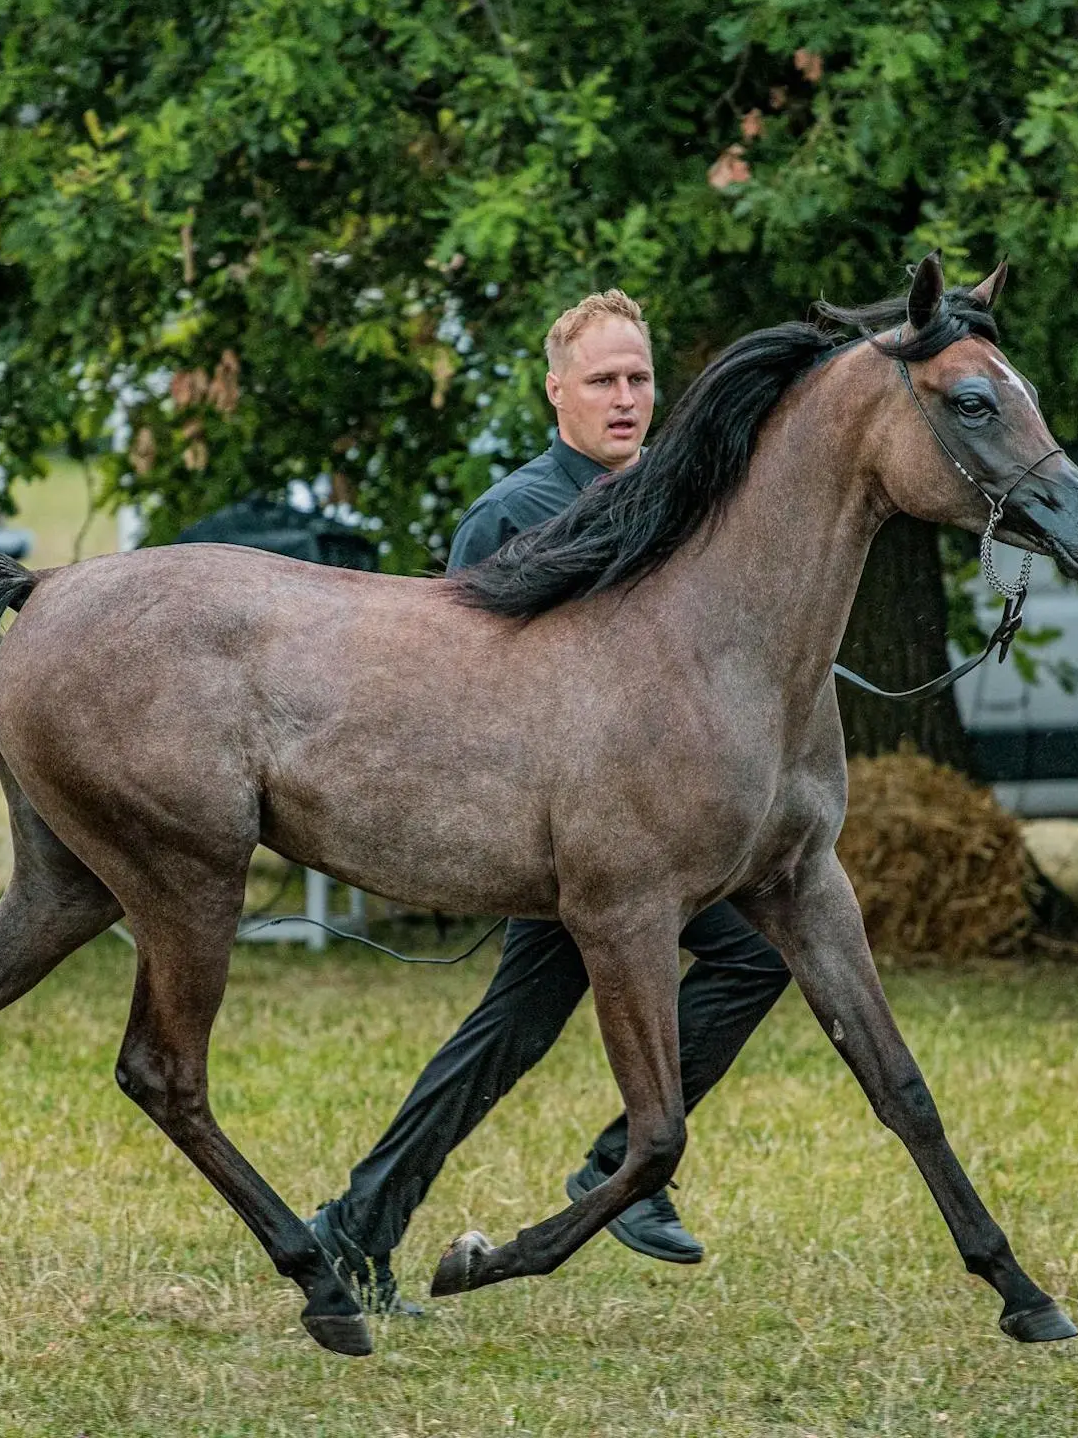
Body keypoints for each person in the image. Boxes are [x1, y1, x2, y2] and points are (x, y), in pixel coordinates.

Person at [307, 290, 792, 1315]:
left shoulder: (676, 500)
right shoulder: (518, 513)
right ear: (555, 392)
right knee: (565, 1015)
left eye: (640, 379)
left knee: (524, 1031)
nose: (626, 399)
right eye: (604, 381)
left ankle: (377, 1221)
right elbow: (458, 687)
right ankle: (617, 1173)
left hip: (638, 841)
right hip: (552, 838)